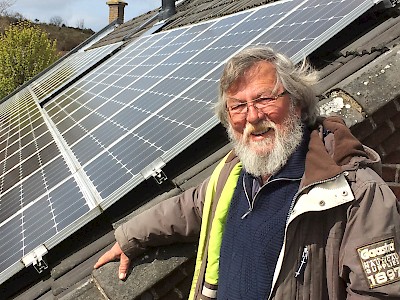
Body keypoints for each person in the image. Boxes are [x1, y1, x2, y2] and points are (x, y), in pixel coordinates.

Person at [94, 46, 400, 299]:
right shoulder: (234, 174)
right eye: (238, 106)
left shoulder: (356, 193)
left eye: (265, 99)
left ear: (295, 103)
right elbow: (188, 208)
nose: (252, 117)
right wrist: (129, 237)